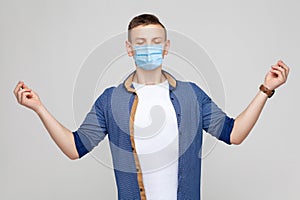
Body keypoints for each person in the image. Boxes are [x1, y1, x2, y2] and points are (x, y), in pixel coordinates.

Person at [14, 14, 290, 200]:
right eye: (141, 43)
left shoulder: (191, 95)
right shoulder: (111, 100)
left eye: (156, 42)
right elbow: (75, 148)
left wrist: (265, 90)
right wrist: (39, 108)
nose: (149, 49)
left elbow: (234, 133)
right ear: (129, 49)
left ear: (166, 47)